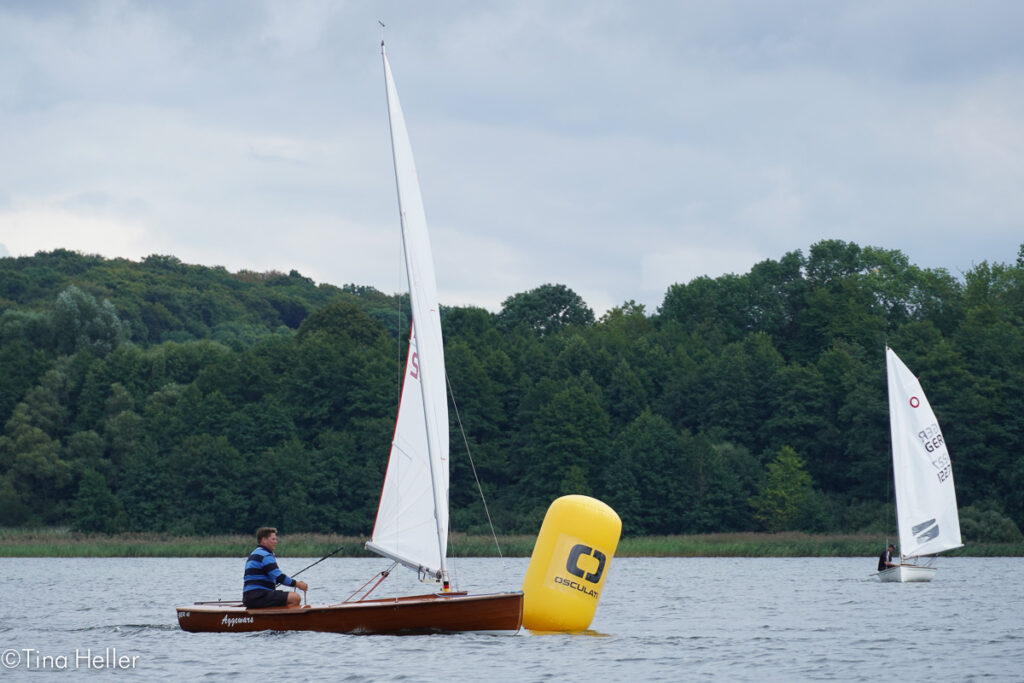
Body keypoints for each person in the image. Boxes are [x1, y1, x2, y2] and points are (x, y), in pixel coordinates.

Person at [242, 527, 308, 608]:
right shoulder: (265, 555)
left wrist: (273, 582)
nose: (276, 542)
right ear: (264, 540)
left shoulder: (254, 554)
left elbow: (262, 577)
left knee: (286, 598)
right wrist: (298, 584)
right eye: (273, 539)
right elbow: (279, 577)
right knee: (295, 598)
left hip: (249, 597)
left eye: (276, 539)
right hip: (258, 595)